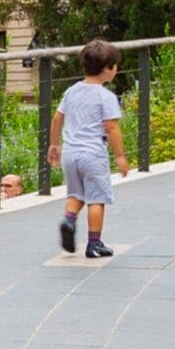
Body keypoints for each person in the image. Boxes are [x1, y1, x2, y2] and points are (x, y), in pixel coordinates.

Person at [48, 39, 125, 260]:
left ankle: (69, 220)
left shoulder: (71, 91)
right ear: (108, 69)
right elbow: (111, 127)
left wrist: (54, 145)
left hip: (70, 154)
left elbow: (56, 118)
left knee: (76, 194)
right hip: (93, 154)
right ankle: (94, 243)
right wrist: (120, 156)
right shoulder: (106, 96)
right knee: (96, 198)